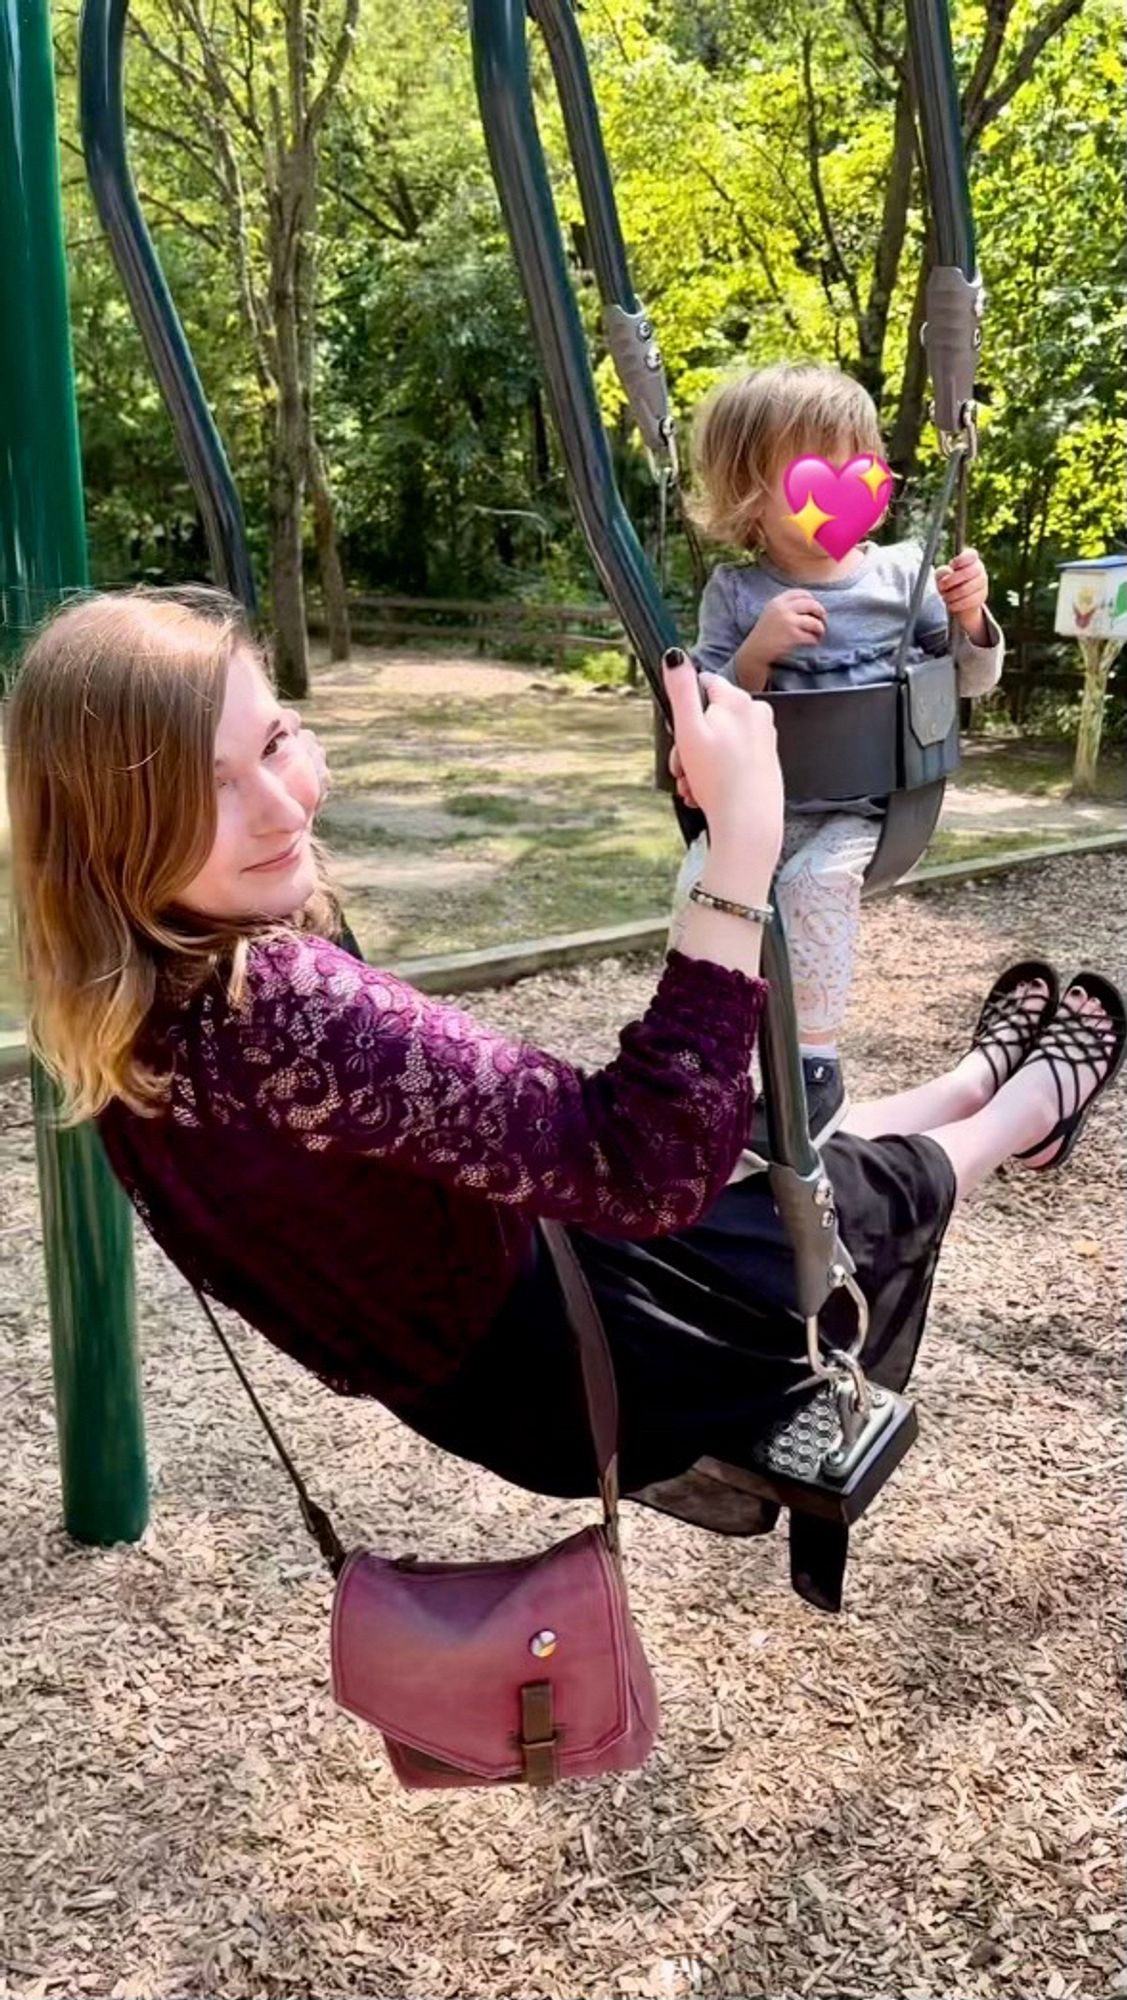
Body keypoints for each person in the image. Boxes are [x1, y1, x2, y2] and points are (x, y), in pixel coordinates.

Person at [6, 589, 1123, 1610]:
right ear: (107, 829)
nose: (278, 805)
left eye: (274, 741)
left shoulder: (118, 1003)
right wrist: (742, 847)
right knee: (851, 1199)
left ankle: (965, 1078)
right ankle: (1029, 1102)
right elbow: (648, 1161)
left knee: (787, 1157)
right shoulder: (276, 1006)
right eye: (198, 789)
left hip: (474, 1365)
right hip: (575, 1353)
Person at [668, 361, 1005, 1139]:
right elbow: (708, 701)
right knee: (701, 886)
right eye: (816, 465)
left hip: (863, 808)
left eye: (859, 459)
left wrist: (972, 617)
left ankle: (814, 1061)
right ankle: (702, 1045)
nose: (847, 482)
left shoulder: (903, 575)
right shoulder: (736, 592)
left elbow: (969, 680)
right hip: (760, 806)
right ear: (751, 488)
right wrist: (755, 652)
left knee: (817, 884)